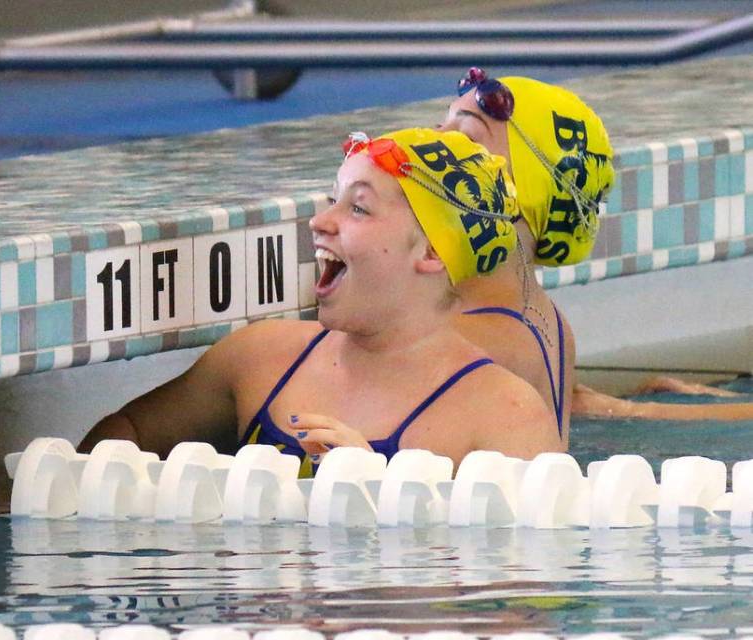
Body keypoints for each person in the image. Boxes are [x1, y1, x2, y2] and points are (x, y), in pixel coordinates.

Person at [77, 128, 561, 472]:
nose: (321, 222)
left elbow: (519, 600)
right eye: (333, 199)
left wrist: (378, 492)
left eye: (358, 207)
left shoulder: (503, 415)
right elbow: (128, 433)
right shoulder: (259, 359)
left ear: (433, 250)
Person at [436, 69, 753, 431]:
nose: (433, 141)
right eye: (440, 125)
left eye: (465, 137)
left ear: (524, 194)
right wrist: (644, 410)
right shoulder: (543, 324)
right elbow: (574, 405)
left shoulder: (465, 331)